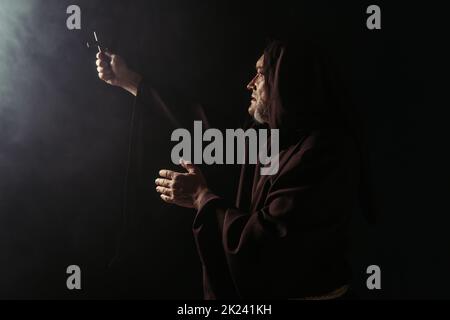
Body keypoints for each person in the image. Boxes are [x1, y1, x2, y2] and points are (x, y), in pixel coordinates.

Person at [96, 39, 362, 299]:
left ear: (287, 81)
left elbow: (268, 244)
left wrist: (201, 198)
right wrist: (130, 80)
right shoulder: (271, 138)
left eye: (260, 74)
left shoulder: (323, 153)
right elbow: (201, 125)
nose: (250, 84)